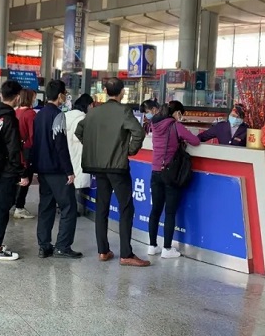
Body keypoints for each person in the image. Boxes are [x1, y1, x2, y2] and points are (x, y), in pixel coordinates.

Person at [75, 77, 149, 267]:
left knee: (102, 207)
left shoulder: (94, 111)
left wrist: (94, 148)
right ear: (122, 92)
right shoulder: (123, 111)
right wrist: (128, 150)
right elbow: (139, 132)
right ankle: (126, 254)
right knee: (126, 207)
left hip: (98, 167)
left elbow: (79, 131)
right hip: (117, 167)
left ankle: (103, 251)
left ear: (105, 92)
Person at [32, 80, 82, 259]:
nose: (65, 97)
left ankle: (44, 245)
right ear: (60, 95)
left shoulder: (39, 115)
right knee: (68, 207)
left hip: (42, 168)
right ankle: (62, 246)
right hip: (57, 170)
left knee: (46, 207)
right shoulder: (58, 115)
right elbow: (60, 146)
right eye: (65, 93)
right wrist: (69, 170)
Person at [148, 101, 200, 258]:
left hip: (155, 172)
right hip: (170, 173)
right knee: (169, 212)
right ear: (177, 113)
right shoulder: (175, 126)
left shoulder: (154, 125)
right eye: (180, 113)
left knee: (155, 210)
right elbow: (195, 141)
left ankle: (152, 246)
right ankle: (167, 249)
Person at [0, 81, 27, 261]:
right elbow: (13, 149)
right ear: (17, 97)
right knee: (2, 208)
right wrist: (21, 172)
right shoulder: (9, 117)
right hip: (7, 170)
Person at [65, 94, 94, 215]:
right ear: (88, 105)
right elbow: (80, 137)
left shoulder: (67, 116)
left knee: (70, 181)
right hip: (77, 152)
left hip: (67, 152)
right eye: (92, 105)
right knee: (75, 182)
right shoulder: (82, 118)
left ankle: (67, 207)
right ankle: (73, 209)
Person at [14, 88, 37, 219]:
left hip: (16, 149)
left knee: (18, 179)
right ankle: (20, 207)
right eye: (33, 97)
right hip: (27, 150)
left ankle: (15, 205)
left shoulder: (16, 112)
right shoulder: (30, 114)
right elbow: (33, 135)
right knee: (25, 179)